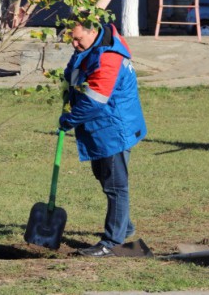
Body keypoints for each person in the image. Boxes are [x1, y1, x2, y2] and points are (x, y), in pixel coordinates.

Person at [59, 13, 147, 257]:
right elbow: (76, 66)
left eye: (77, 39)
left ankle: (112, 242)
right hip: (104, 125)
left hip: (113, 128)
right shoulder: (95, 45)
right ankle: (125, 225)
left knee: (116, 186)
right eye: (70, 40)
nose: (74, 45)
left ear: (92, 30)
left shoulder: (108, 57)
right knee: (103, 176)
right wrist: (68, 83)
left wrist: (69, 119)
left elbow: (95, 101)